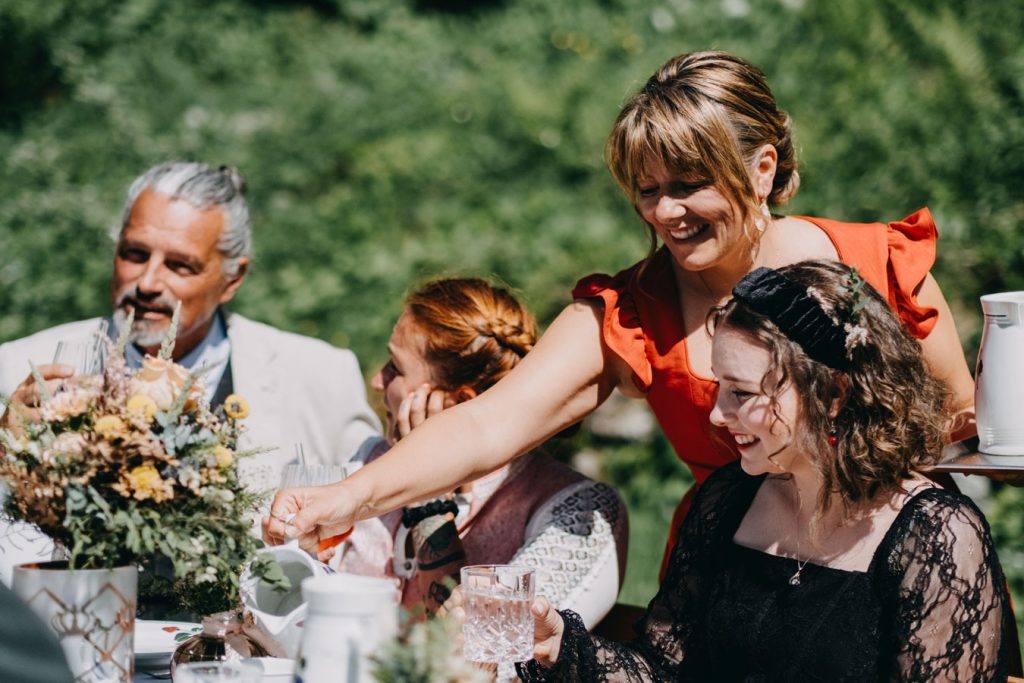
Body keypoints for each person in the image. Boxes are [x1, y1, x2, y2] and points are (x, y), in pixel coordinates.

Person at [264, 51, 974, 575]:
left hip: (884, 572)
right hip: (724, 579)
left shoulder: (870, 264)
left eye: (690, 184)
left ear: (762, 169)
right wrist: (343, 498)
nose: (666, 212)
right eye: (647, 189)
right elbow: (488, 424)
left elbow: (961, 424)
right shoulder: (633, 311)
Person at [480, 260, 1012, 681]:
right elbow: (668, 672)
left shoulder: (937, 535)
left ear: (832, 393)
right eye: (719, 388)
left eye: (743, 393)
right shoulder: (729, 499)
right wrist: (558, 646)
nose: (717, 415)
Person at [0, 162, 380, 578]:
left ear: (233, 279)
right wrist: (7, 454)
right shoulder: (18, 367)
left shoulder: (321, 374)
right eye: (134, 254)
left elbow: (377, 537)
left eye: (180, 265)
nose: (147, 282)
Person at [310, 277, 628, 626]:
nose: (376, 382)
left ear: (458, 403)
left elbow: (482, 656)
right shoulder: (369, 460)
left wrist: (425, 494)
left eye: (395, 369)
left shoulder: (576, 511)